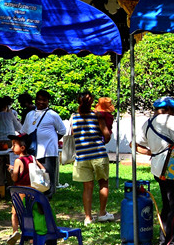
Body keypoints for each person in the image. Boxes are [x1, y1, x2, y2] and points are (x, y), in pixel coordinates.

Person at [137, 96, 174, 245]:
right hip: (171, 167)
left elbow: (135, 145)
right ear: (168, 110)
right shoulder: (170, 120)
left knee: (168, 205)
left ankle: (163, 242)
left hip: (157, 168)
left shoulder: (147, 123)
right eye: (173, 111)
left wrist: (154, 153)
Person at [69, 91, 113, 225]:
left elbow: (72, 134)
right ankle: (102, 213)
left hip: (82, 156)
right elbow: (107, 136)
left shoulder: (74, 117)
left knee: (87, 188)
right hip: (98, 154)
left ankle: (88, 218)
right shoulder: (97, 116)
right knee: (103, 183)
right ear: (92, 102)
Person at [21, 90, 65, 200]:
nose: (41, 102)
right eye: (39, 99)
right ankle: (35, 194)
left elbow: (62, 130)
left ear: (48, 101)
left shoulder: (52, 114)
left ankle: (47, 197)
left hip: (48, 151)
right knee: (33, 173)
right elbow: (24, 131)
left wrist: (52, 141)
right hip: (33, 150)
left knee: (47, 174)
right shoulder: (30, 115)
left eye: (44, 100)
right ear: (35, 100)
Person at [5, 132, 35, 245]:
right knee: (30, 213)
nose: (12, 147)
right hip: (32, 190)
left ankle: (15, 231)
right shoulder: (32, 158)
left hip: (20, 191)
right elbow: (42, 169)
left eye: (14, 145)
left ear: (22, 148)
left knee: (15, 213)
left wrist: (11, 170)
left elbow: (15, 177)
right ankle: (32, 235)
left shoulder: (18, 160)